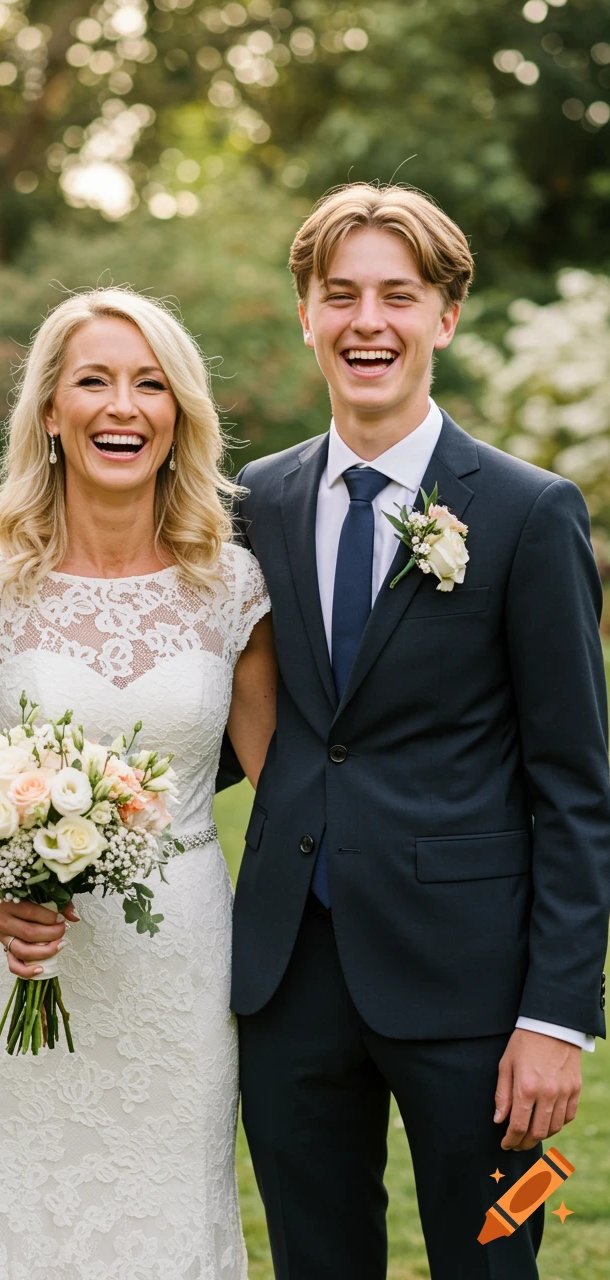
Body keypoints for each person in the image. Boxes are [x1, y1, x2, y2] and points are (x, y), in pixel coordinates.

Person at [221, 182, 610, 1280]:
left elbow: (574, 786)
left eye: (398, 294)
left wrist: (554, 1015)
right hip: (289, 974)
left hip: (472, 990)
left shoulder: (529, 512)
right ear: (303, 311)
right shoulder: (260, 499)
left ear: (443, 316)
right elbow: (231, 713)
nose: (366, 321)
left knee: (489, 1263)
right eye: (337, 294)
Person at [0, 287, 276, 1279]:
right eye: (95, 381)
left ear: (179, 415)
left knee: (170, 1214)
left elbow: (288, 788)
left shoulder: (232, 587)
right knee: (27, 1217)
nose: (124, 405)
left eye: (150, 384)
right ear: (51, 414)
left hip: (182, 967)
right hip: (27, 967)